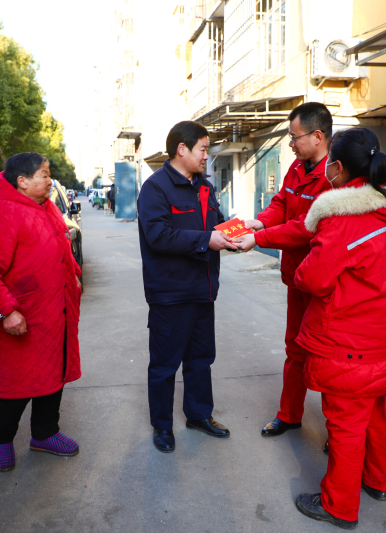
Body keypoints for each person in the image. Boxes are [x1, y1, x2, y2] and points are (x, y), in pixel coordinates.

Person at [292, 128, 386, 529]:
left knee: (345, 424)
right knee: (381, 411)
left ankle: (339, 506)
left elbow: (312, 278)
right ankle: (378, 482)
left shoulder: (344, 221)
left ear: (340, 168)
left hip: (349, 344)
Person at [0, 153, 82, 472]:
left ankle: (45, 433)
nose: (49, 180)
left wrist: (74, 275)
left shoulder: (48, 208)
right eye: (43, 174)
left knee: (54, 375)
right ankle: (0, 439)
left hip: (56, 313)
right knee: (17, 385)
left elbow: (63, 250)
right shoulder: (1, 214)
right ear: (22, 181)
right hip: (23, 318)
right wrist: (7, 312)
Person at [233, 102, 333, 439]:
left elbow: (305, 226)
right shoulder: (297, 167)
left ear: (317, 136)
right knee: (295, 348)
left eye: (294, 137)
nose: (291, 144)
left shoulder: (334, 176)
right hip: (296, 277)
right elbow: (281, 203)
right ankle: (289, 415)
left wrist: (259, 238)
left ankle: (338, 432)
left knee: (327, 356)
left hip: (322, 282)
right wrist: (259, 221)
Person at [137, 120, 237, 453]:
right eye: (203, 149)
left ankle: (198, 415)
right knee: (165, 365)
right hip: (170, 294)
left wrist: (236, 232)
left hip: (203, 290)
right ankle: (162, 426)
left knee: (200, 359)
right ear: (182, 149)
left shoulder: (204, 187)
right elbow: (158, 236)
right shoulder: (156, 188)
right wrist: (206, 240)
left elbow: (215, 225)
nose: (207, 155)